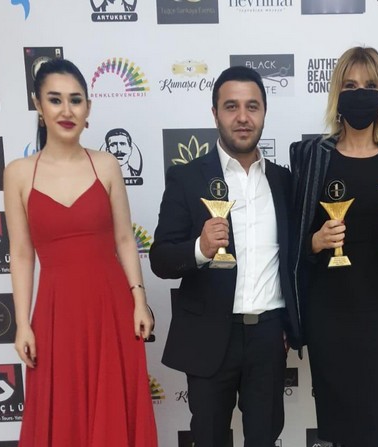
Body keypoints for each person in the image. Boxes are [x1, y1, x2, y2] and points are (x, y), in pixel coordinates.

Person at [3, 58, 157, 447]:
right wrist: (22, 323)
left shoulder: (106, 165)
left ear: (88, 108)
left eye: (75, 100)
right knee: (64, 413)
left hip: (111, 310)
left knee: (113, 412)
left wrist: (139, 301)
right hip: (55, 316)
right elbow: (21, 254)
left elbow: (125, 239)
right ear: (38, 106)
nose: (67, 110)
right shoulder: (18, 173)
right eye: (55, 100)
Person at [289, 46, 378, 447]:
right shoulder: (310, 157)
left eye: (369, 85)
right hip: (328, 315)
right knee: (335, 429)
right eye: (350, 86)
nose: (360, 94)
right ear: (337, 94)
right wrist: (316, 241)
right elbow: (294, 242)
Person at [149, 66, 301, 447]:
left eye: (252, 106)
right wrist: (199, 249)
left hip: (268, 336)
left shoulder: (284, 181)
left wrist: (288, 324)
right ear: (215, 113)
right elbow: (161, 258)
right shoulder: (187, 178)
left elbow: (295, 260)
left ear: (264, 112)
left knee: (264, 440)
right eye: (231, 106)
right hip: (208, 336)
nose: (243, 117)